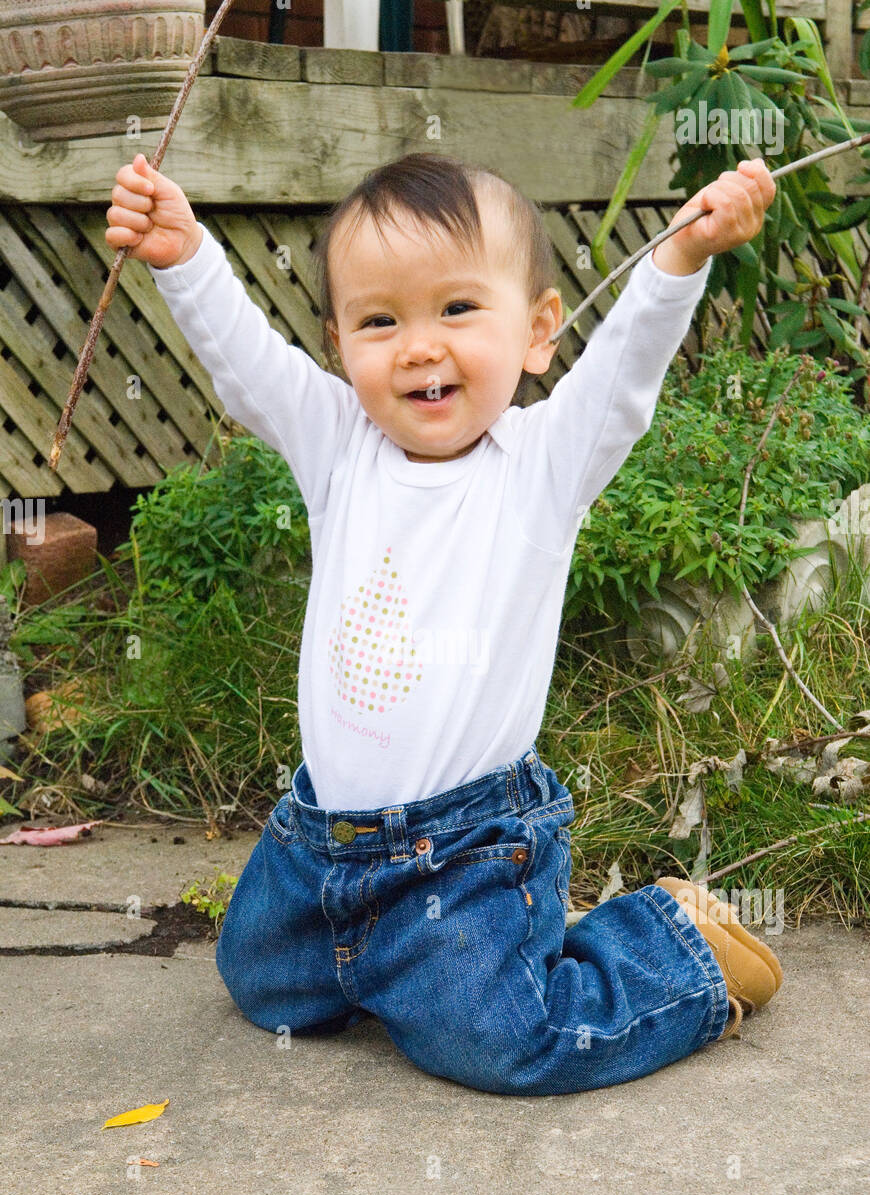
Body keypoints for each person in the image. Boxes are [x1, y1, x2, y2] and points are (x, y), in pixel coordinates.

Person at [106, 148, 782, 1095]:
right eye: (380, 320)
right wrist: (182, 257)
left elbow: (625, 373)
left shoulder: (541, 468)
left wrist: (683, 258)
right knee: (259, 984)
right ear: (341, 342)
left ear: (539, 331)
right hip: (320, 839)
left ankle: (673, 946)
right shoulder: (338, 445)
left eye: (458, 310)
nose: (419, 345)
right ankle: (445, 957)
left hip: (466, 850)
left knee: (501, 1042)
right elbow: (249, 365)